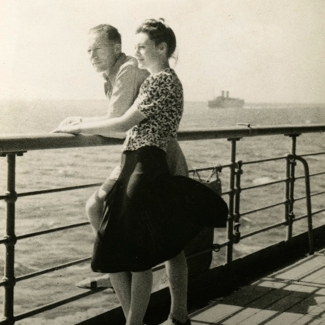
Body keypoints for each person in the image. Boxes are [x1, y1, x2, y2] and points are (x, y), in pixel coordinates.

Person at [53, 22, 193, 325]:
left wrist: (76, 125)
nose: (91, 55)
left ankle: (138, 304)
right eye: (88, 50)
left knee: (152, 246)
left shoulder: (142, 74)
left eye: (97, 49)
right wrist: (82, 120)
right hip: (144, 157)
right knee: (167, 245)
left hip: (152, 161)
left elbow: (121, 122)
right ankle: (168, 311)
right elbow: (124, 121)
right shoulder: (152, 76)